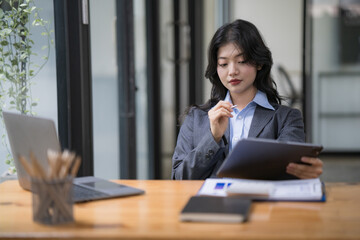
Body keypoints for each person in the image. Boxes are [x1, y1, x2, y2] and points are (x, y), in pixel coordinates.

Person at [171, 19, 323, 180]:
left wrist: (306, 172)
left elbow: (292, 172)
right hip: (208, 203)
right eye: (223, 64)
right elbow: (179, 177)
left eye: (242, 61)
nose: (232, 71)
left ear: (259, 63)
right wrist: (213, 137)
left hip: (262, 204)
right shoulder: (196, 118)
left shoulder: (287, 118)